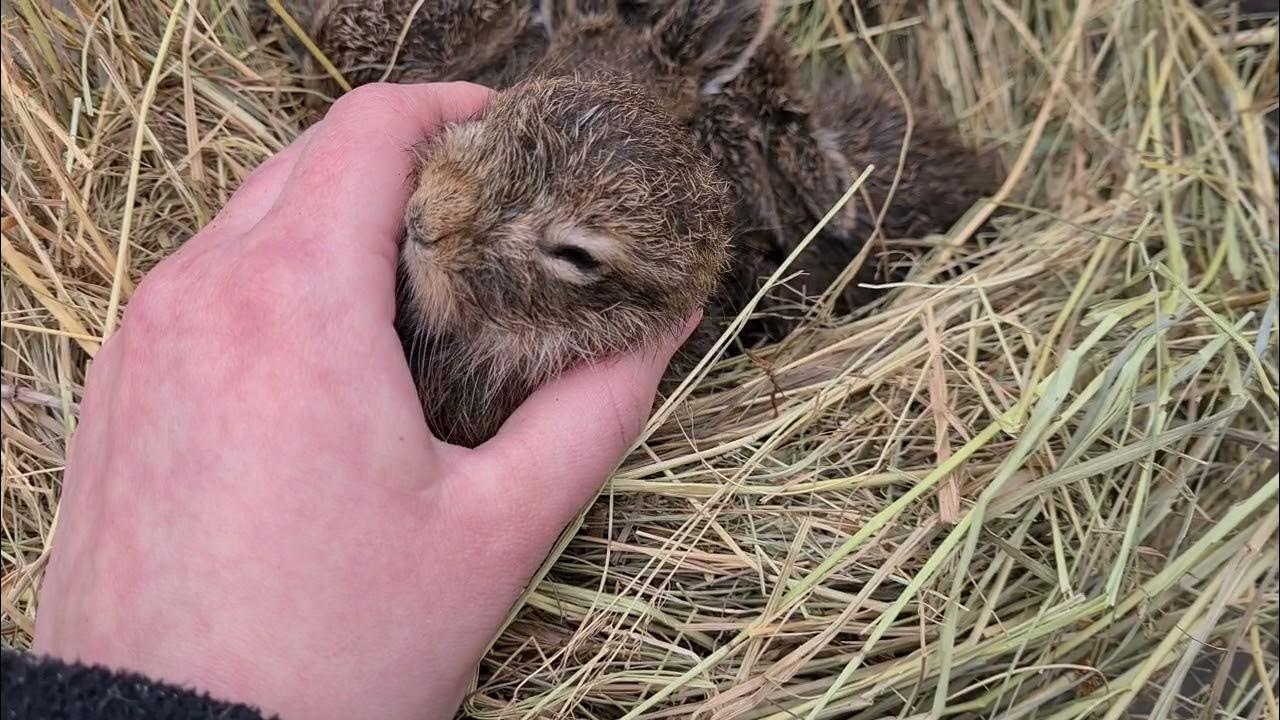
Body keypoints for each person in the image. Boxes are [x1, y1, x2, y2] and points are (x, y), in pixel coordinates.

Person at [1, 82, 695, 719]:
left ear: (633, 306)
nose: (434, 210)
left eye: (570, 255)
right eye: (486, 136)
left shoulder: (539, 364)